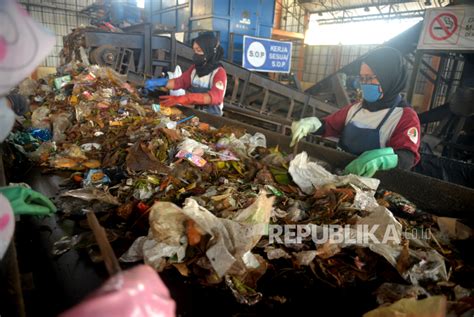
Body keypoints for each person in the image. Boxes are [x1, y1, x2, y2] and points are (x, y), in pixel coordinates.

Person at [291, 47, 421, 177]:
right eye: (362, 78)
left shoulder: (405, 117)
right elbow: (328, 125)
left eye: (370, 78)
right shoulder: (355, 109)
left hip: (373, 185)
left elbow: (407, 157)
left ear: (389, 78)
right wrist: (311, 124)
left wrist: (382, 159)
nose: (364, 84)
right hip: (341, 174)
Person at [144, 31, 227, 116]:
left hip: (212, 116)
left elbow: (214, 97)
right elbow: (180, 82)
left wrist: (184, 99)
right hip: (196, 113)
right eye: (194, 50)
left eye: (199, 50)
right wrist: (161, 82)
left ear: (209, 51)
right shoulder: (195, 69)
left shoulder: (219, 72)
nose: (196, 54)